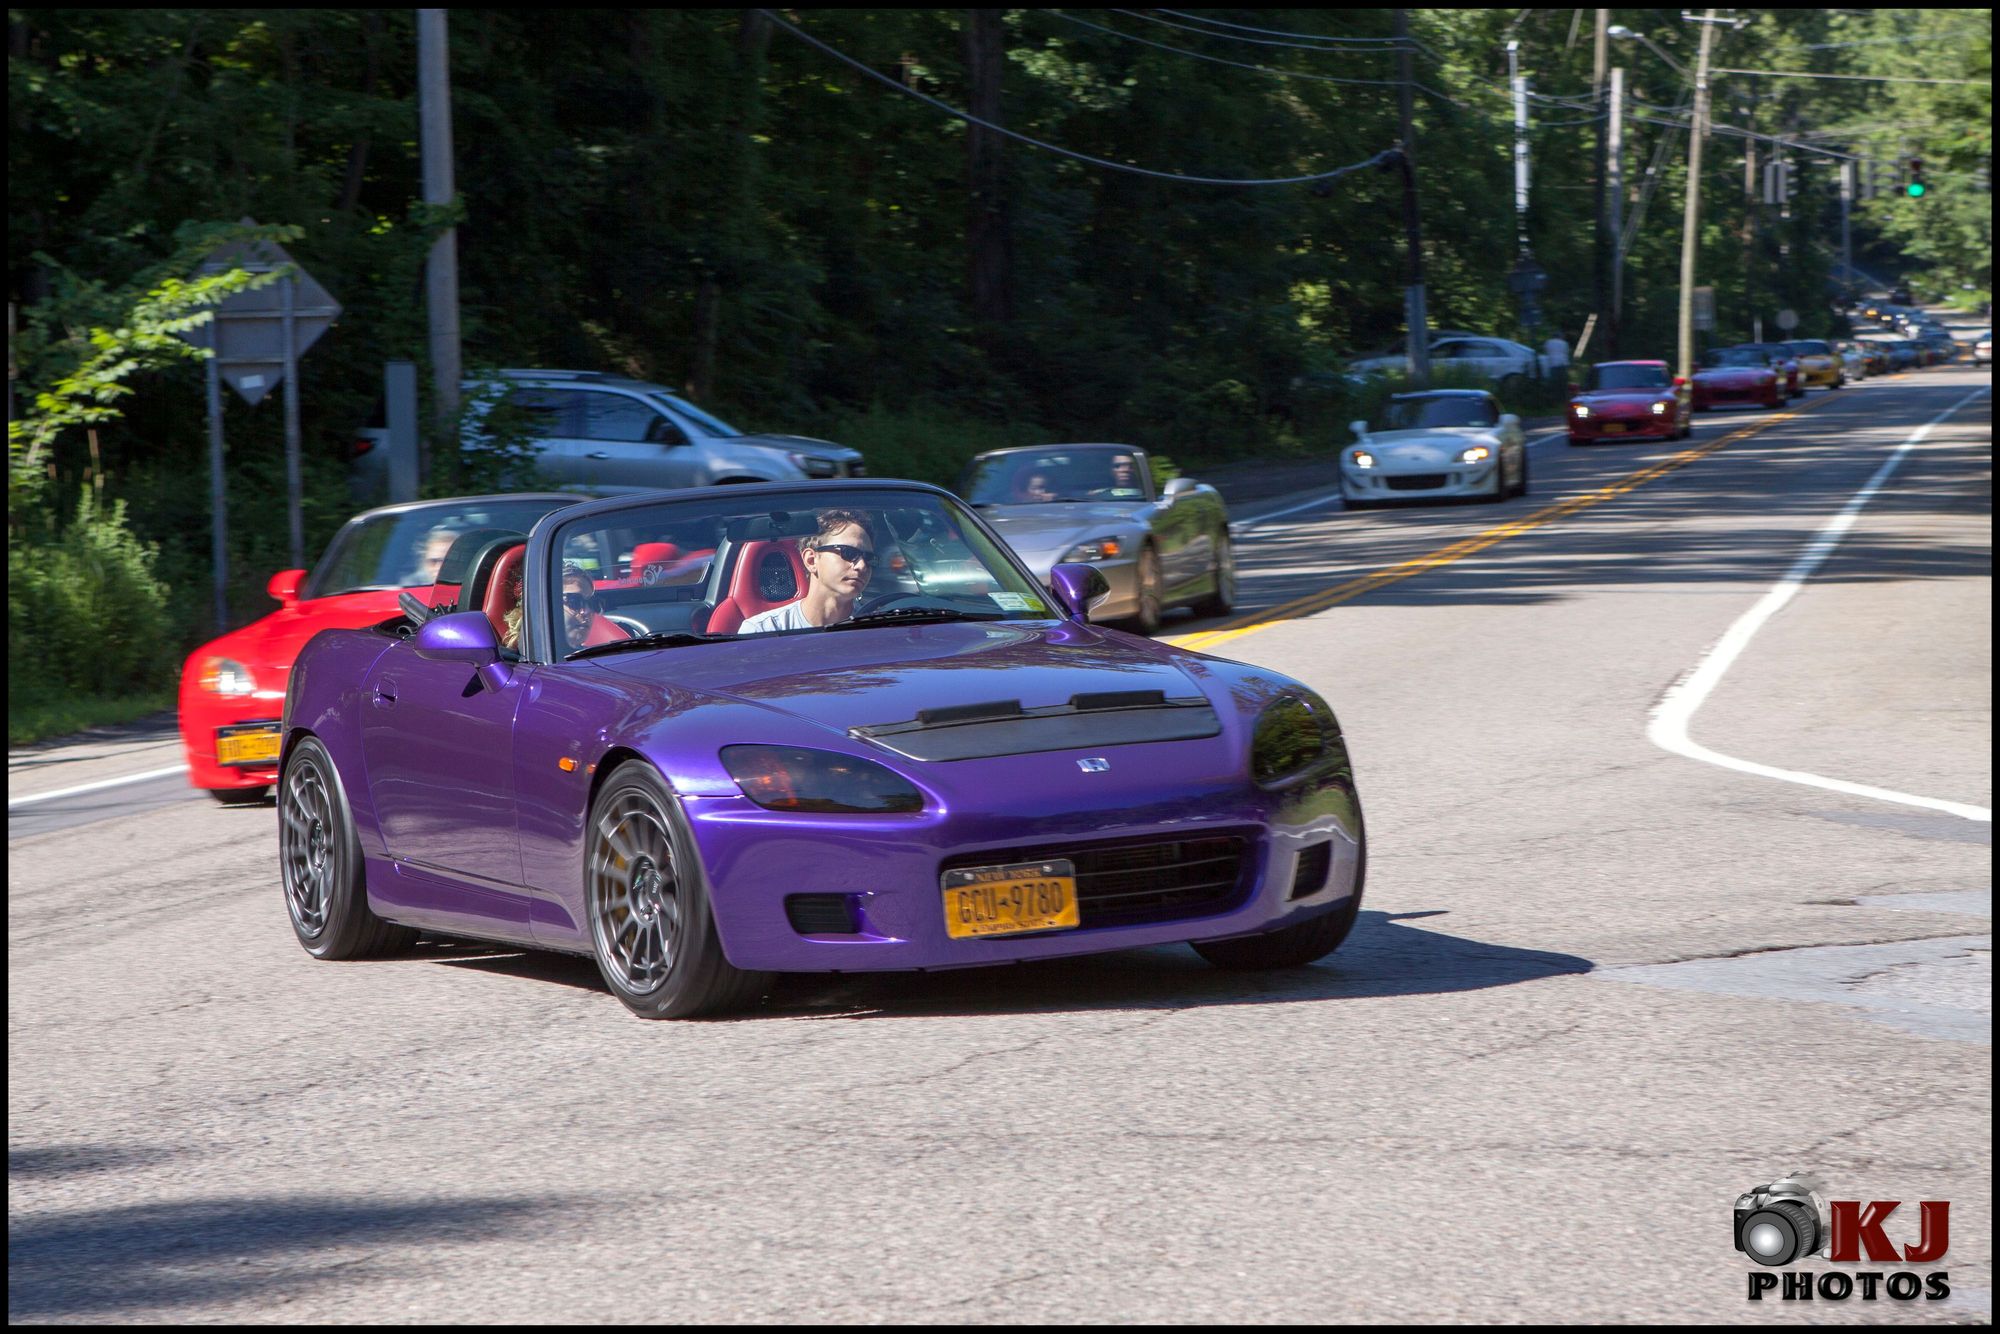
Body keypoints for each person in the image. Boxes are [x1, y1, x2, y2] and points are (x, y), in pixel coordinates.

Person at [738, 509, 874, 634]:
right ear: (811, 560)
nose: (862, 566)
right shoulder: (762, 631)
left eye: (868, 558)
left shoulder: (877, 628)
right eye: (849, 553)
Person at [559, 561, 600, 651]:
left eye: (592, 603)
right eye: (574, 601)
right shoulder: (529, 655)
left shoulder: (599, 655)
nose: (587, 611)